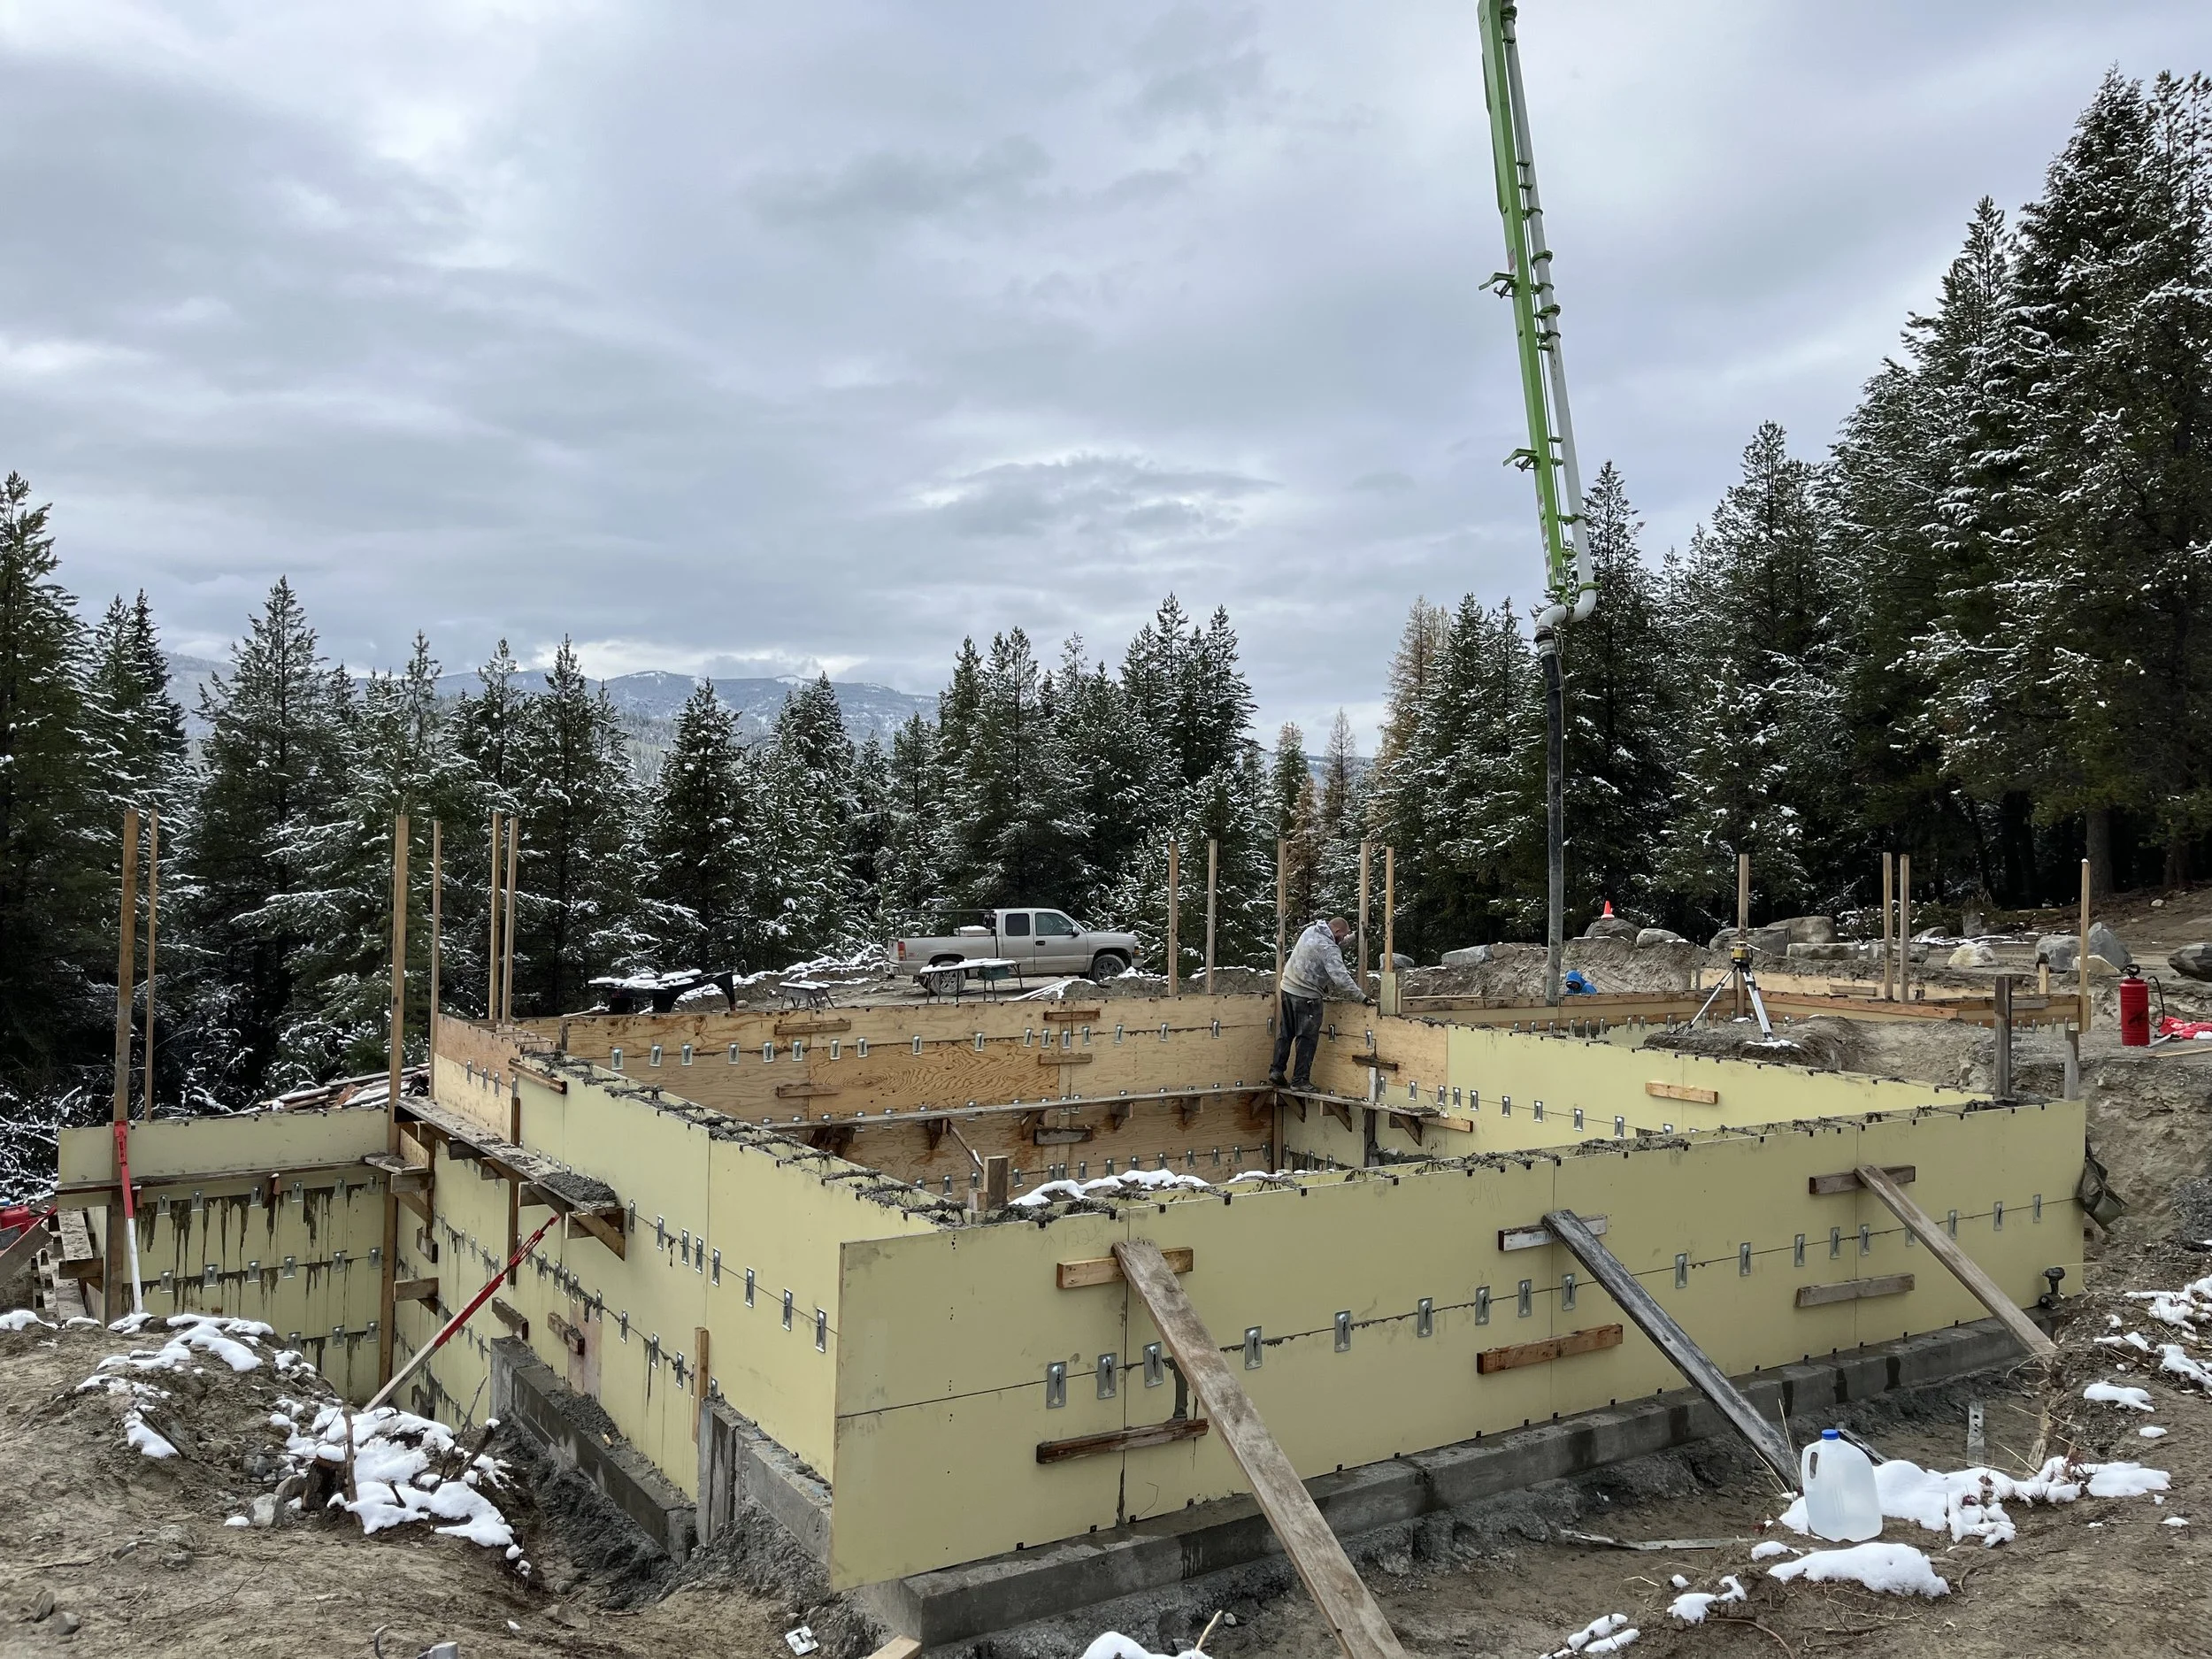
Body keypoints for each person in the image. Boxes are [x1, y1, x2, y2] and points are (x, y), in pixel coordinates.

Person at [1267, 916, 1372, 1088]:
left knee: (1286, 1033)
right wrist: (1362, 998)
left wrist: (1354, 938)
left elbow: (1333, 947)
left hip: (1287, 988)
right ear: (1337, 931)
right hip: (1307, 996)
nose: (1341, 939)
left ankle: (1276, 1071)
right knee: (1306, 1038)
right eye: (1342, 936)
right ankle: (1300, 1080)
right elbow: (1340, 978)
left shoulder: (1311, 931)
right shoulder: (1328, 947)